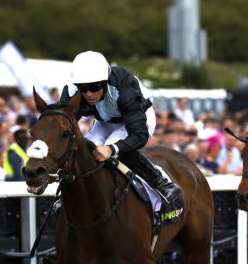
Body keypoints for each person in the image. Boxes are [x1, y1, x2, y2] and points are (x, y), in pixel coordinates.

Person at [51, 50, 180, 203]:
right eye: (83, 88)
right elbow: (62, 124)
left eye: (94, 86)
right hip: (105, 120)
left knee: (110, 153)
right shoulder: (71, 91)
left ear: (104, 81)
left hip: (138, 119)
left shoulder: (124, 86)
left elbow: (138, 135)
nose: (88, 94)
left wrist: (111, 149)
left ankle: (159, 181)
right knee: (84, 152)